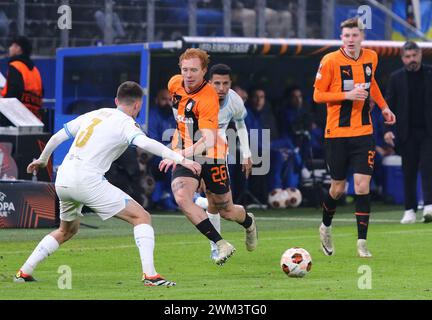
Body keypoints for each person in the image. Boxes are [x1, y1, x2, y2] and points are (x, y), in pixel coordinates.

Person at [14, 81, 201, 286]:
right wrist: (182, 159)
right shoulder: (127, 123)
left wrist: (42, 159)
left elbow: (59, 135)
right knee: (142, 217)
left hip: (64, 179)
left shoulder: (96, 114)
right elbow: (145, 143)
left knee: (66, 230)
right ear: (138, 105)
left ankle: (24, 271)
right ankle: (150, 276)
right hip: (87, 180)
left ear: (116, 101)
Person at [159, 48, 257, 266]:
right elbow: (180, 114)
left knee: (225, 210)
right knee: (182, 197)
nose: (189, 74)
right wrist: (180, 149)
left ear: (204, 71)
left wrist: (177, 154)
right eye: (185, 69)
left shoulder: (210, 98)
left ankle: (249, 222)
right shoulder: (174, 83)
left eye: (194, 70)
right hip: (185, 151)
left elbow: (210, 141)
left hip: (211, 154)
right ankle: (219, 244)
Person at [313, 18, 396, 258]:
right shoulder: (329, 60)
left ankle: (362, 243)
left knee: (362, 186)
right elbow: (318, 94)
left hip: (363, 132)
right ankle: (326, 227)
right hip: (337, 133)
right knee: (338, 188)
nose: (350, 40)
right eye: (346, 36)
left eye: (354, 35)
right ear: (341, 38)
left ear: (362, 37)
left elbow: (372, 84)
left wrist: (384, 107)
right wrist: (347, 95)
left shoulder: (372, 56)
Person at [197, 63, 254, 260]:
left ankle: (248, 222)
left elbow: (240, 124)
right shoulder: (197, 98)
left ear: (231, 84)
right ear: (208, 83)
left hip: (219, 154)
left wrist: (246, 154)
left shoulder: (234, 101)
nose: (221, 88)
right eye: (217, 83)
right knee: (207, 199)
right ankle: (216, 247)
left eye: (225, 83)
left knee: (225, 210)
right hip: (195, 150)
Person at [384, 41, 432, 224]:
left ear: (420, 54)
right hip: (406, 133)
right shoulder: (396, 78)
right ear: (402, 58)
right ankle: (409, 210)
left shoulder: (430, 73)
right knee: (408, 172)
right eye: (408, 57)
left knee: (429, 168)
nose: (411, 59)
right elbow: (389, 106)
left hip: (429, 131)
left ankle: (429, 206)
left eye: (414, 55)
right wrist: (388, 130)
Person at [147, 88, 178, 211]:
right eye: (163, 99)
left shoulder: (176, 115)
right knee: (171, 163)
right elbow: (153, 142)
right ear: (156, 100)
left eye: (170, 100)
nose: (167, 103)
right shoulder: (152, 115)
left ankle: (193, 198)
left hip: (175, 153)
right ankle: (171, 199)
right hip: (155, 156)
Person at [1, 36, 43, 120]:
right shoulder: (35, 70)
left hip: (17, 117)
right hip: (34, 117)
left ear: (18, 49)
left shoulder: (16, 66)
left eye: (12, 46)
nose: (10, 48)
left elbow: (13, 93)